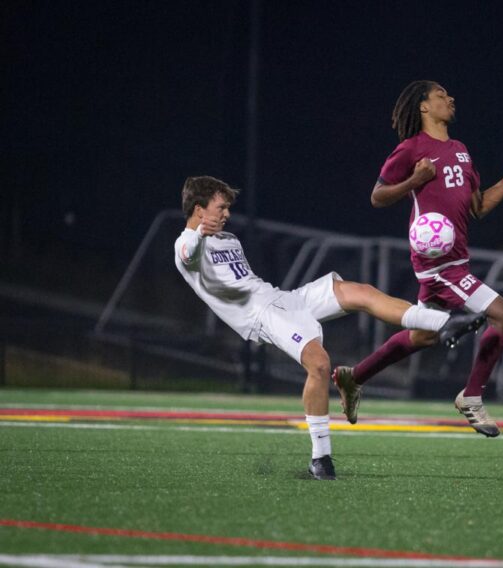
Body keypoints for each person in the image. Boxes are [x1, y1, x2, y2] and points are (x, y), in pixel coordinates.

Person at [174, 176, 484, 480]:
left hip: (282, 300)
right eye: (221, 207)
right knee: (320, 364)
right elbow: (189, 253)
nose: (227, 213)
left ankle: (443, 323)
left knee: (358, 292)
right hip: (262, 316)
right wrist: (199, 234)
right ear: (200, 209)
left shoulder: (228, 239)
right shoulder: (187, 244)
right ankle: (320, 458)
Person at [332, 80, 503, 438]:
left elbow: (480, 207)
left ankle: (354, 377)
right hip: (438, 265)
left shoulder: (460, 150)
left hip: (457, 261)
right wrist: (415, 179)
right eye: (441, 95)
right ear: (424, 107)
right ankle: (471, 396)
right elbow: (377, 196)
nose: (451, 98)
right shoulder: (411, 149)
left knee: (423, 336)